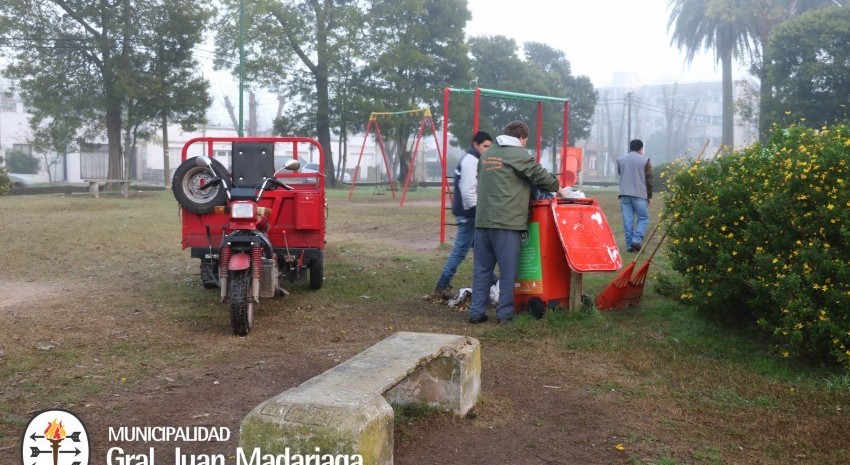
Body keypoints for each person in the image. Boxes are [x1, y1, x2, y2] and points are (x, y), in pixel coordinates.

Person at [468, 121, 569, 324]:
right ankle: (505, 314)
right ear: (522, 138)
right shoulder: (518, 154)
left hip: (482, 221)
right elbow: (539, 175)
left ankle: (476, 312)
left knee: (482, 269)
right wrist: (559, 188)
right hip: (507, 222)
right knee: (508, 271)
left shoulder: (487, 155)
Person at [432, 131, 493, 300]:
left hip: (469, 213)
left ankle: (492, 281)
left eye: (490, 146)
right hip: (469, 214)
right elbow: (468, 192)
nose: (488, 149)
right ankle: (442, 286)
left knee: (481, 250)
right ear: (476, 144)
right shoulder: (471, 161)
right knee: (460, 251)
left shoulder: (474, 160)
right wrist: (480, 210)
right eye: (485, 146)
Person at [617, 139, 654, 252]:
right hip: (639, 194)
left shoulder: (620, 159)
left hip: (624, 194)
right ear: (641, 148)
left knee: (628, 220)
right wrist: (649, 196)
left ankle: (629, 246)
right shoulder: (645, 160)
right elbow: (649, 180)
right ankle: (636, 240)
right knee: (643, 218)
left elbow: (621, 173)